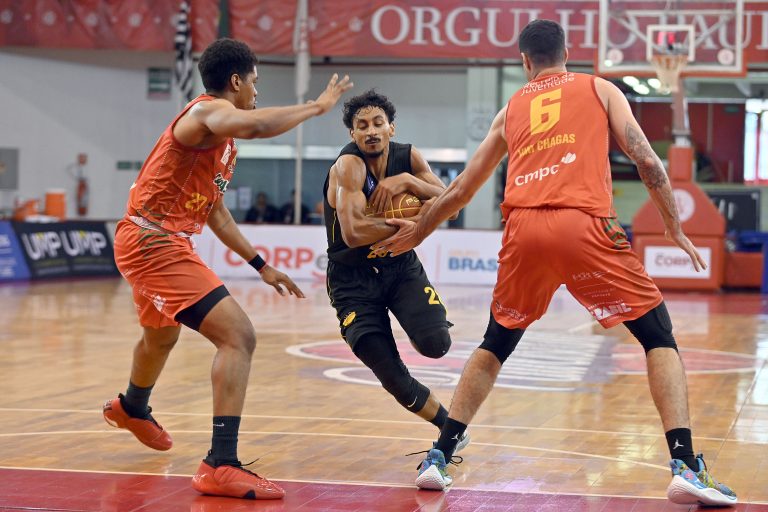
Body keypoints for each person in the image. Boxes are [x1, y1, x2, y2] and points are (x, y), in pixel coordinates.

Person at [374, 20, 736, 507]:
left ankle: (439, 456)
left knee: (496, 342)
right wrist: (673, 226)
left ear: (525, 62)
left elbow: (460, 190)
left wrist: (419, 231)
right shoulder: (600, 88)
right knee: (657, 337)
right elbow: (648, 162)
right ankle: (686, 465)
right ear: (569, 52)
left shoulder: (510, 109)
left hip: (523, 229)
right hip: (583, 224)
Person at [102, 38, 352, 500]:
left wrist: (261, 265)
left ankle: (132, 406)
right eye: (254, 82)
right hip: (152, 241)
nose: (257, 90)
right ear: (235, 81)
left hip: (158, 239)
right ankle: (220, 463)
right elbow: (256, 124)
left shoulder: (221, 141)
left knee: (160, 338)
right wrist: (317, 108)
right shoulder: (205, 113)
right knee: (238, 336)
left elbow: (215, 213)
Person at [322, 89, 468, 449]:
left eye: (378, 123)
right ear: (352, 134)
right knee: (391, 374)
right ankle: (450, 429)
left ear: (391, 127)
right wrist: (417, 222)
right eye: (362, 126)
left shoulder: (408, 157)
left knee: (436, 344)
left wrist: (408, 183)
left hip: (399, 266)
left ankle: (416, 322)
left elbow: (452, 205)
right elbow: (354, 233)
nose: (371, 131)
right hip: (352, 279)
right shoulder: (348, 166)